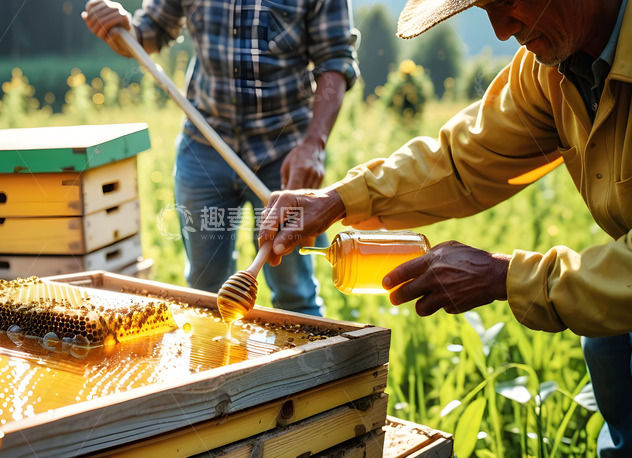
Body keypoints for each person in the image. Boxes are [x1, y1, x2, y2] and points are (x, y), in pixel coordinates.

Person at [259, 0, 632, 454]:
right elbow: (459, 163)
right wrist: (337, 200)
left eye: (507, 0)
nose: (500, 31)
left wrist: (504, 276)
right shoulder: (548, 70)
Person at [83, 0, 359, 316]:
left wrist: (314, 144)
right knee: (204, 294)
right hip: (205, 147)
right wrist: (121, 27)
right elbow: (150, 32)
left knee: (294, 295)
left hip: (284, 154)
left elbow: (336, 59)